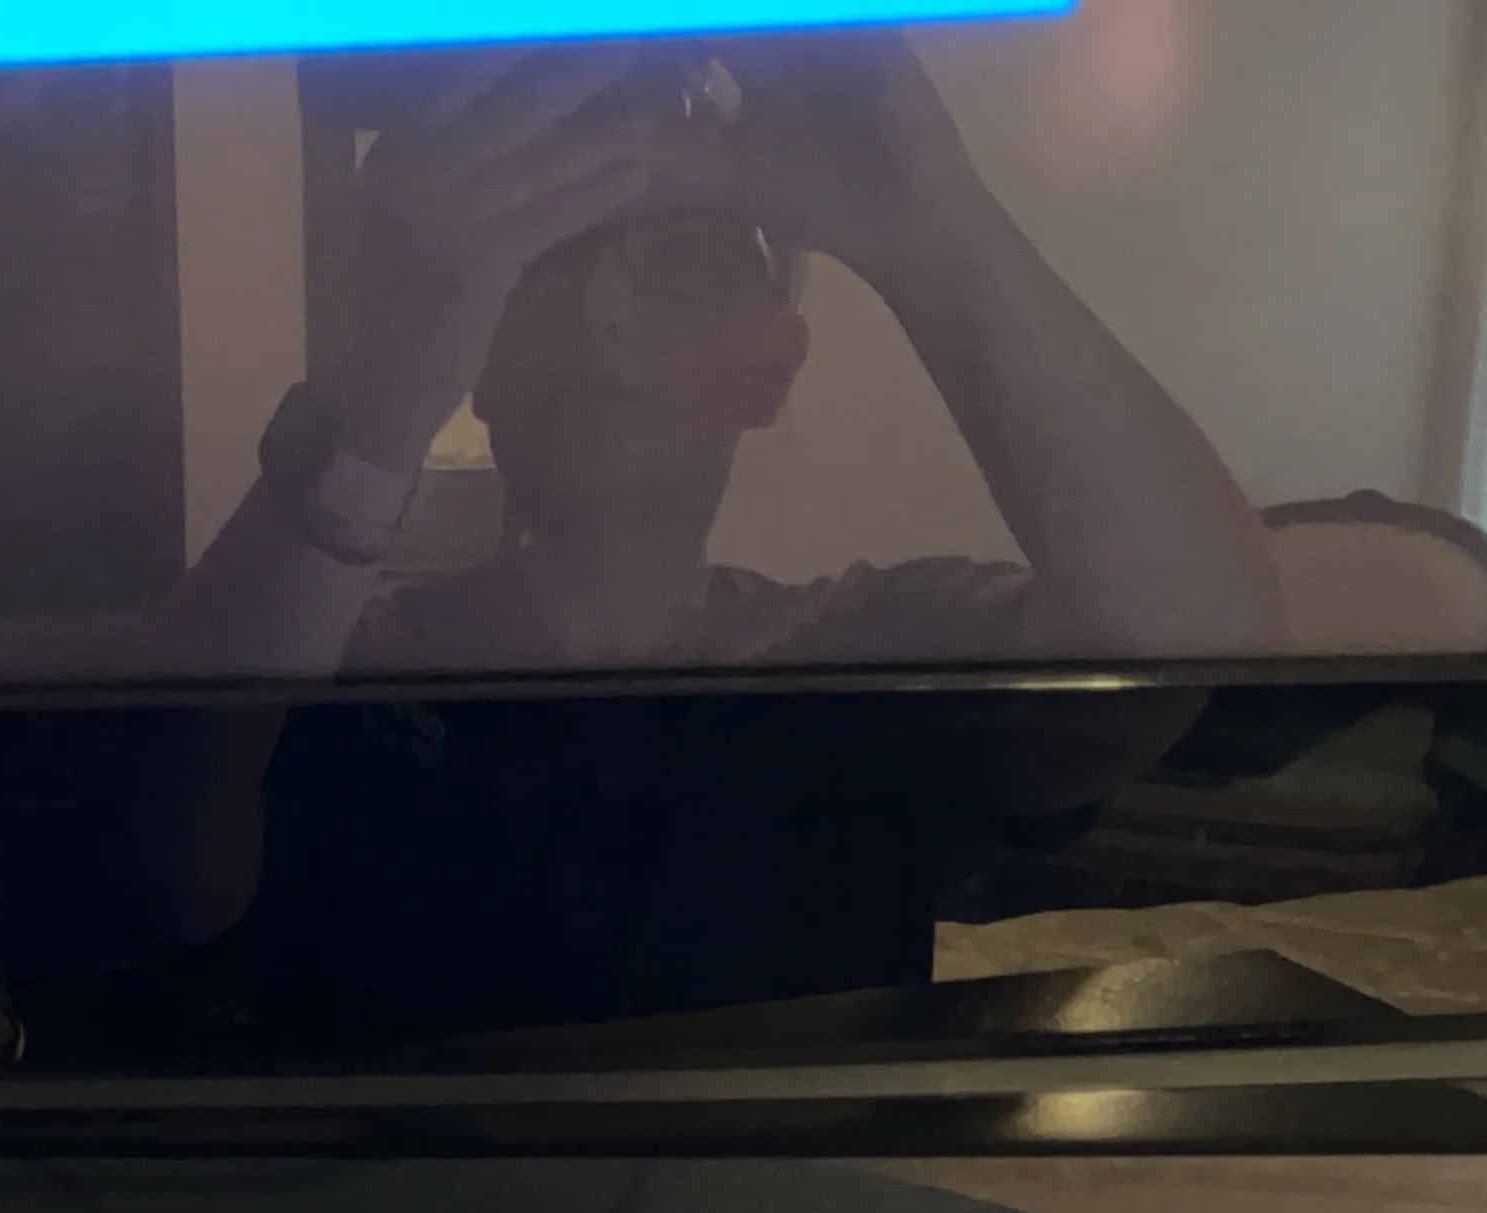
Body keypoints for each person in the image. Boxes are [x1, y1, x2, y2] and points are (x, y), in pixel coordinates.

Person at [97, 36, 1286, 1021]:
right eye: (543, 260)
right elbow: (155, 856)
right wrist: (380, 388)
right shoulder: (330, 668)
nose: (603, 311)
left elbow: (1188, 643)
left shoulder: (869, 649)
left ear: (777, 362)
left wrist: (932, 230)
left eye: (680, 262)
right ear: (477, 357)